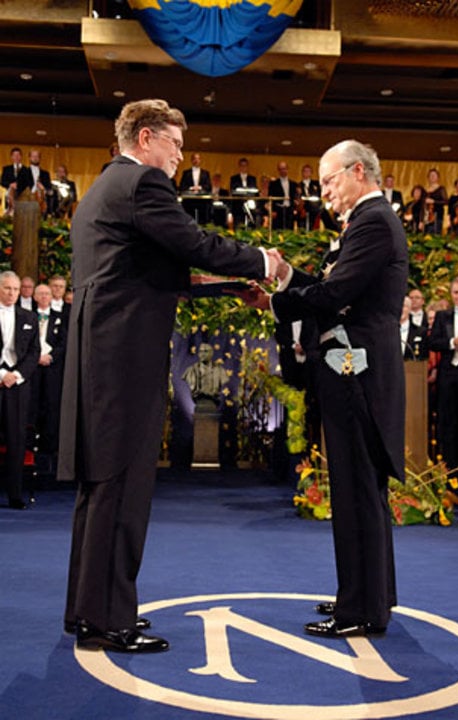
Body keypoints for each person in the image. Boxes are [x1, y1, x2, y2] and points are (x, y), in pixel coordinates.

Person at [57, 98, 280, 654]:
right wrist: (261, 260)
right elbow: (194, 243)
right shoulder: (144, 184)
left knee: (100, 486)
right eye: (176, 143)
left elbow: (156, 275)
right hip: (126, 360)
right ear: (146, 137)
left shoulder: (101, 190)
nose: (181, 156)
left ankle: (89, 611)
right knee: (124, 487)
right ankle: (110, 622)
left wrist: (230, 288)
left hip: (100, 356)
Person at [241, 139, 408, 638]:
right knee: (361, 488)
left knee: (357, 488)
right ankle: (369, 594)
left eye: (329, 181)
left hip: (358, 373)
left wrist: (274, 304)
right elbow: (331, 285)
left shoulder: (373, 221)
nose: (325, 192)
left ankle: (361, 610)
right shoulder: (366, 222)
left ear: (358, 171)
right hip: (353, 371)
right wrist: (287, 277)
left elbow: (337, 292)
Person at [0, 271, 40, 509]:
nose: (12, 293)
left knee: (16, 440)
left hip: (17, 386)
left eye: (15, 289)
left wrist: (16, 376)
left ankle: (15, 495)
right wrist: (1, 375)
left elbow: (34, 352)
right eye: (7, 288)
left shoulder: (29, 317)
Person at [428, 275, 458, 503]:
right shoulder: (443, 316)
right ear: (451, 295)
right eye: (456, 292)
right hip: (449, 377)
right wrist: (453, 343)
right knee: (449, 427)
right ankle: (452, 480)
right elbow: (433, 342)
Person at [29, 284, 67, 454]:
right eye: (41, 294)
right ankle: (30, 442)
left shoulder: (60, 318)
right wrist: (35, 357)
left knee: (51, 405)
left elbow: (64, 343)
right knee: (32, 403)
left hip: (52, 369)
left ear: (51, 297)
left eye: (47, 294)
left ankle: (50, 445)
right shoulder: (27, 316)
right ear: (35, 297)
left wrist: (50, 357)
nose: (44, 296)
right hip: (32, 369)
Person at [179, 151, 211, 224]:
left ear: (200, 160)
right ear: (191, 160)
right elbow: (182, 186)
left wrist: (200, 187)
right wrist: (191, 188)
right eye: (194, 159)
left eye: (198, 159)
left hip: (202, 200)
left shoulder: (205, 173)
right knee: (189, 219)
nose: (196, 161)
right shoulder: (186, 173)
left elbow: (208, 186)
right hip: (189, 200)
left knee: (202, 219)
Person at [0, 147, 33, 214]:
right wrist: (10, 184)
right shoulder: (6, 169)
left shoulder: (27, 170)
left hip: (23, 195)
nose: (16, 157)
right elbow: (2, 182)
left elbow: (30, 183)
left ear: (21, 157)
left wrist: (18, 185)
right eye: (14, 155)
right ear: (11, 157)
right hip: (9, 194)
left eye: (18, 155)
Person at [268, 161, 298, 230]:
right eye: (281, 169)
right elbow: (271, 197)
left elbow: (295, 197)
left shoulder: (293, 184)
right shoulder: (273, 184)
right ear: (278, 171)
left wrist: (294, 208)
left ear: (287, 169)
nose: (283, 171)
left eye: (284, 169)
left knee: (289, 229)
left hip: (289, 210)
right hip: (278, 210)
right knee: (278, 229)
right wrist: (273, 210)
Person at [229, 157, 258, 228]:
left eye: (245, 165)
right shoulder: (234, 178)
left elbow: (254, 191)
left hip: (250, 207)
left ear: (248, 166)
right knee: (238, 226)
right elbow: (233, 191)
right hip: (238, 207)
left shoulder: (252, 179)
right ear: (239, 167)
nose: (243, 167)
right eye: (242, 165)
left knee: (250, 226)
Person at [399, 295, 428, 361]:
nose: (400, 309)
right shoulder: (386, 332)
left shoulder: (421, 332)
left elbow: (424, 357)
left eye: (404, 306)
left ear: (410, 309)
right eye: (398, 306)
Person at [424, 168, 448, 235]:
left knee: (435, 234)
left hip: (437, 215)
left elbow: (446, 201)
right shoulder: (425, 190)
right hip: (426, 216)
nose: (432, 177)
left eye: (434, 175)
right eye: (430, 175)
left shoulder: (441, 189)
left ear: (438, 177)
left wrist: (433, 201)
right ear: (428, 178)